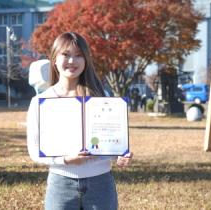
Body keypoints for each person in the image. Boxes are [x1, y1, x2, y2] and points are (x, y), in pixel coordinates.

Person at [26, 32, 133, 210]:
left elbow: (111, 143)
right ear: (54, 58)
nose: (72, 61)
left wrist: (120, 155)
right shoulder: (40, 102)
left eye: (78, 55)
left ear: (86, 60)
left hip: (101, 183)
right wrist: (66, 160)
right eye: (66, 55)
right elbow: (34, 151)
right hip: (60, 184)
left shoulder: (100, 98)